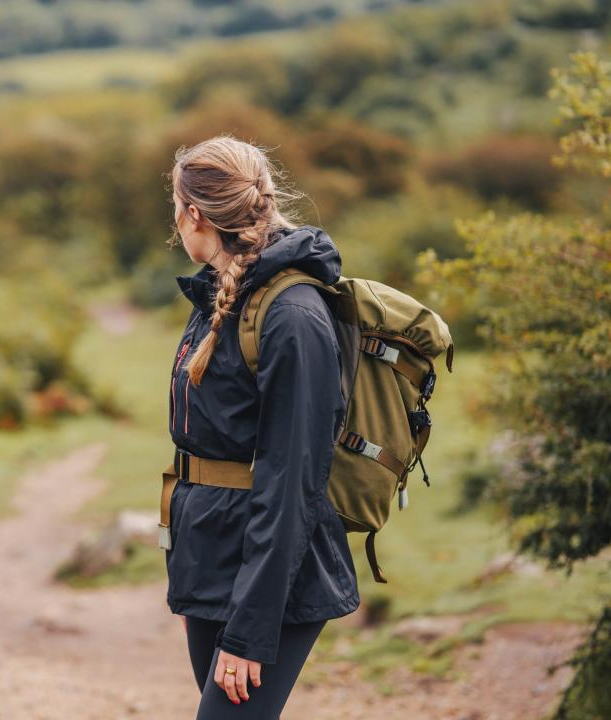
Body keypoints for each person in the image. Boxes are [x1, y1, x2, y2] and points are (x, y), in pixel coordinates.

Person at [164, 137, 360, 718]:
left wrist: (250, 629)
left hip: (272, 573)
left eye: (175, 208)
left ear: (194, 213)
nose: (175, 223)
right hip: (212, 554)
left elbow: (292, 482)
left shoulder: (292, 316)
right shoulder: (222, 298)